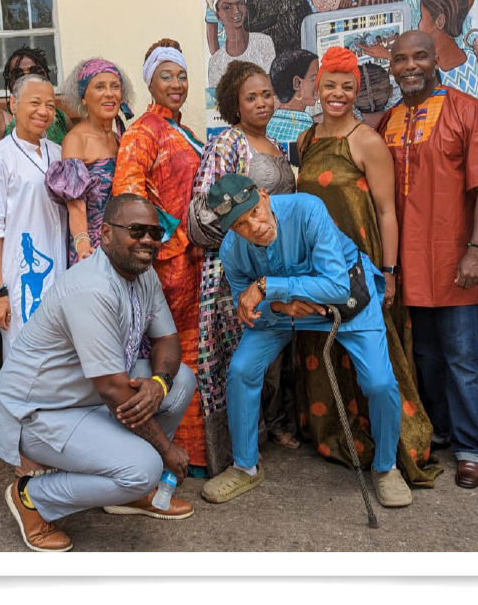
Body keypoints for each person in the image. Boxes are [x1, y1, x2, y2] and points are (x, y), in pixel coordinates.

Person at [0, 194, 197, 552]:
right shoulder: (92, 287)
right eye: (137, 231)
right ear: (104, 235)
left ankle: (129, 493)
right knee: (144, 466)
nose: (148, 240)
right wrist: (166, 450)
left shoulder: (142, 274)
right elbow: (112, 391)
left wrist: (159, 381)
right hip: (42, 410)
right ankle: (33, 499)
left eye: (155, 232)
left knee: (180, 381)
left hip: (88, 395)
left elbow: (167, 339)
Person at [198, 175, 410, 507]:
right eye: (240, 224)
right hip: (282, 310)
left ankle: (386, 468)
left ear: (264, 197)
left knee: (381, 382)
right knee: (241, 370)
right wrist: (279, 303)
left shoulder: (307, 209)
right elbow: (248, 307)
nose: (254, 226)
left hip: (349, 298)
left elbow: (337, 286)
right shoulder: (231, 251)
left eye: (254, 212)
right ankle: (245, 466)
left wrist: (271, 286)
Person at [296, 47, 442, 487]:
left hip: (362, 269)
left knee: (377, 362)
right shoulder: (306, 140)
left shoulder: (367, 141)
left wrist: (389, 272)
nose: (337, 95)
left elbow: (386, 212)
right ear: (317, 89)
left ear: (356, 90)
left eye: (346, 86)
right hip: (316, 271)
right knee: (322, 354)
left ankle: (388, 452)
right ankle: (336, 434)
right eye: (329, 85)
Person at [376, 30, 478, 490]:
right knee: (425, 357)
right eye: (400, 59)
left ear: (435, 61)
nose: (409, 66)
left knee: (463, 357)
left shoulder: (469, 112)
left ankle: (473, 448)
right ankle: (442, 432)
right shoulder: (387, 121)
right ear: (391, 66)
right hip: (407, 263)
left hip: (455, 260)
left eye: (419, 57)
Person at [187, 60, 299, 476]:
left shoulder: (276, 144)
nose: (261, 103)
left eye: (267, 94)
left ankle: (270, 428)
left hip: (276, 265)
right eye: (251, 97)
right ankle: (240, 447)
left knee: (274, 350)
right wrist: (247, 246)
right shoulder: (228, 145)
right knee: (240, 353)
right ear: (235, 104)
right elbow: (202, 215)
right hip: (235, 269)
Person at [113, 39, 207, 472]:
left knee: (193, 353)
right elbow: (129, 194)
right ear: (150, 81)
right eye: (166, 75)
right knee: (167, 357)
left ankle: (195, 454)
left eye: (182, 75)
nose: (176, 83)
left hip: (192, 263)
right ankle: (154, 457)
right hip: (164, 265)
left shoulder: (182, 131)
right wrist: (165, 241)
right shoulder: (143, 130)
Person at [0, 74, 67, 346]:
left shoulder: (60, 152)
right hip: (20, 275)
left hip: (59, 268)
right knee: (24, 354)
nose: (43, 112)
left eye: (50, 105)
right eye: (35, 103)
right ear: (13, 104)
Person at [45, 57, 134, 265]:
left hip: (123, 247)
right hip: (93, 251)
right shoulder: (76, 140)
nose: (109, 93)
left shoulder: (120, 138)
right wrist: (83, 244)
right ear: (83, 97)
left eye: (115, 87)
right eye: (100, 87)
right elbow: (75, 202)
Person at [0, 46, 75, 150]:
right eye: (18, 74)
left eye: (35, 71)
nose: (28, 79)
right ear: (9, 83)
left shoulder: (61, 119)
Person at [206, 0, 277, 88]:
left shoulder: (263, 42)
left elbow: (270, 89)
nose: (236, 11)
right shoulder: (216, 62)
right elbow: (218, 101)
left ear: (246, 7)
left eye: (240, 3)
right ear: (218, 15)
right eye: (227, 7)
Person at [418, 0, 478, 96]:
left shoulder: (434, 69)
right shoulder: (471, 57)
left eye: (422, 17)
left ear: (440, 21)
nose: (419, 24)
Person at [266, 48, 319, 158]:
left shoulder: (270, 123)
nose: (318, 85)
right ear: (297, 83)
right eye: (314, 79)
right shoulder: (305, 124)